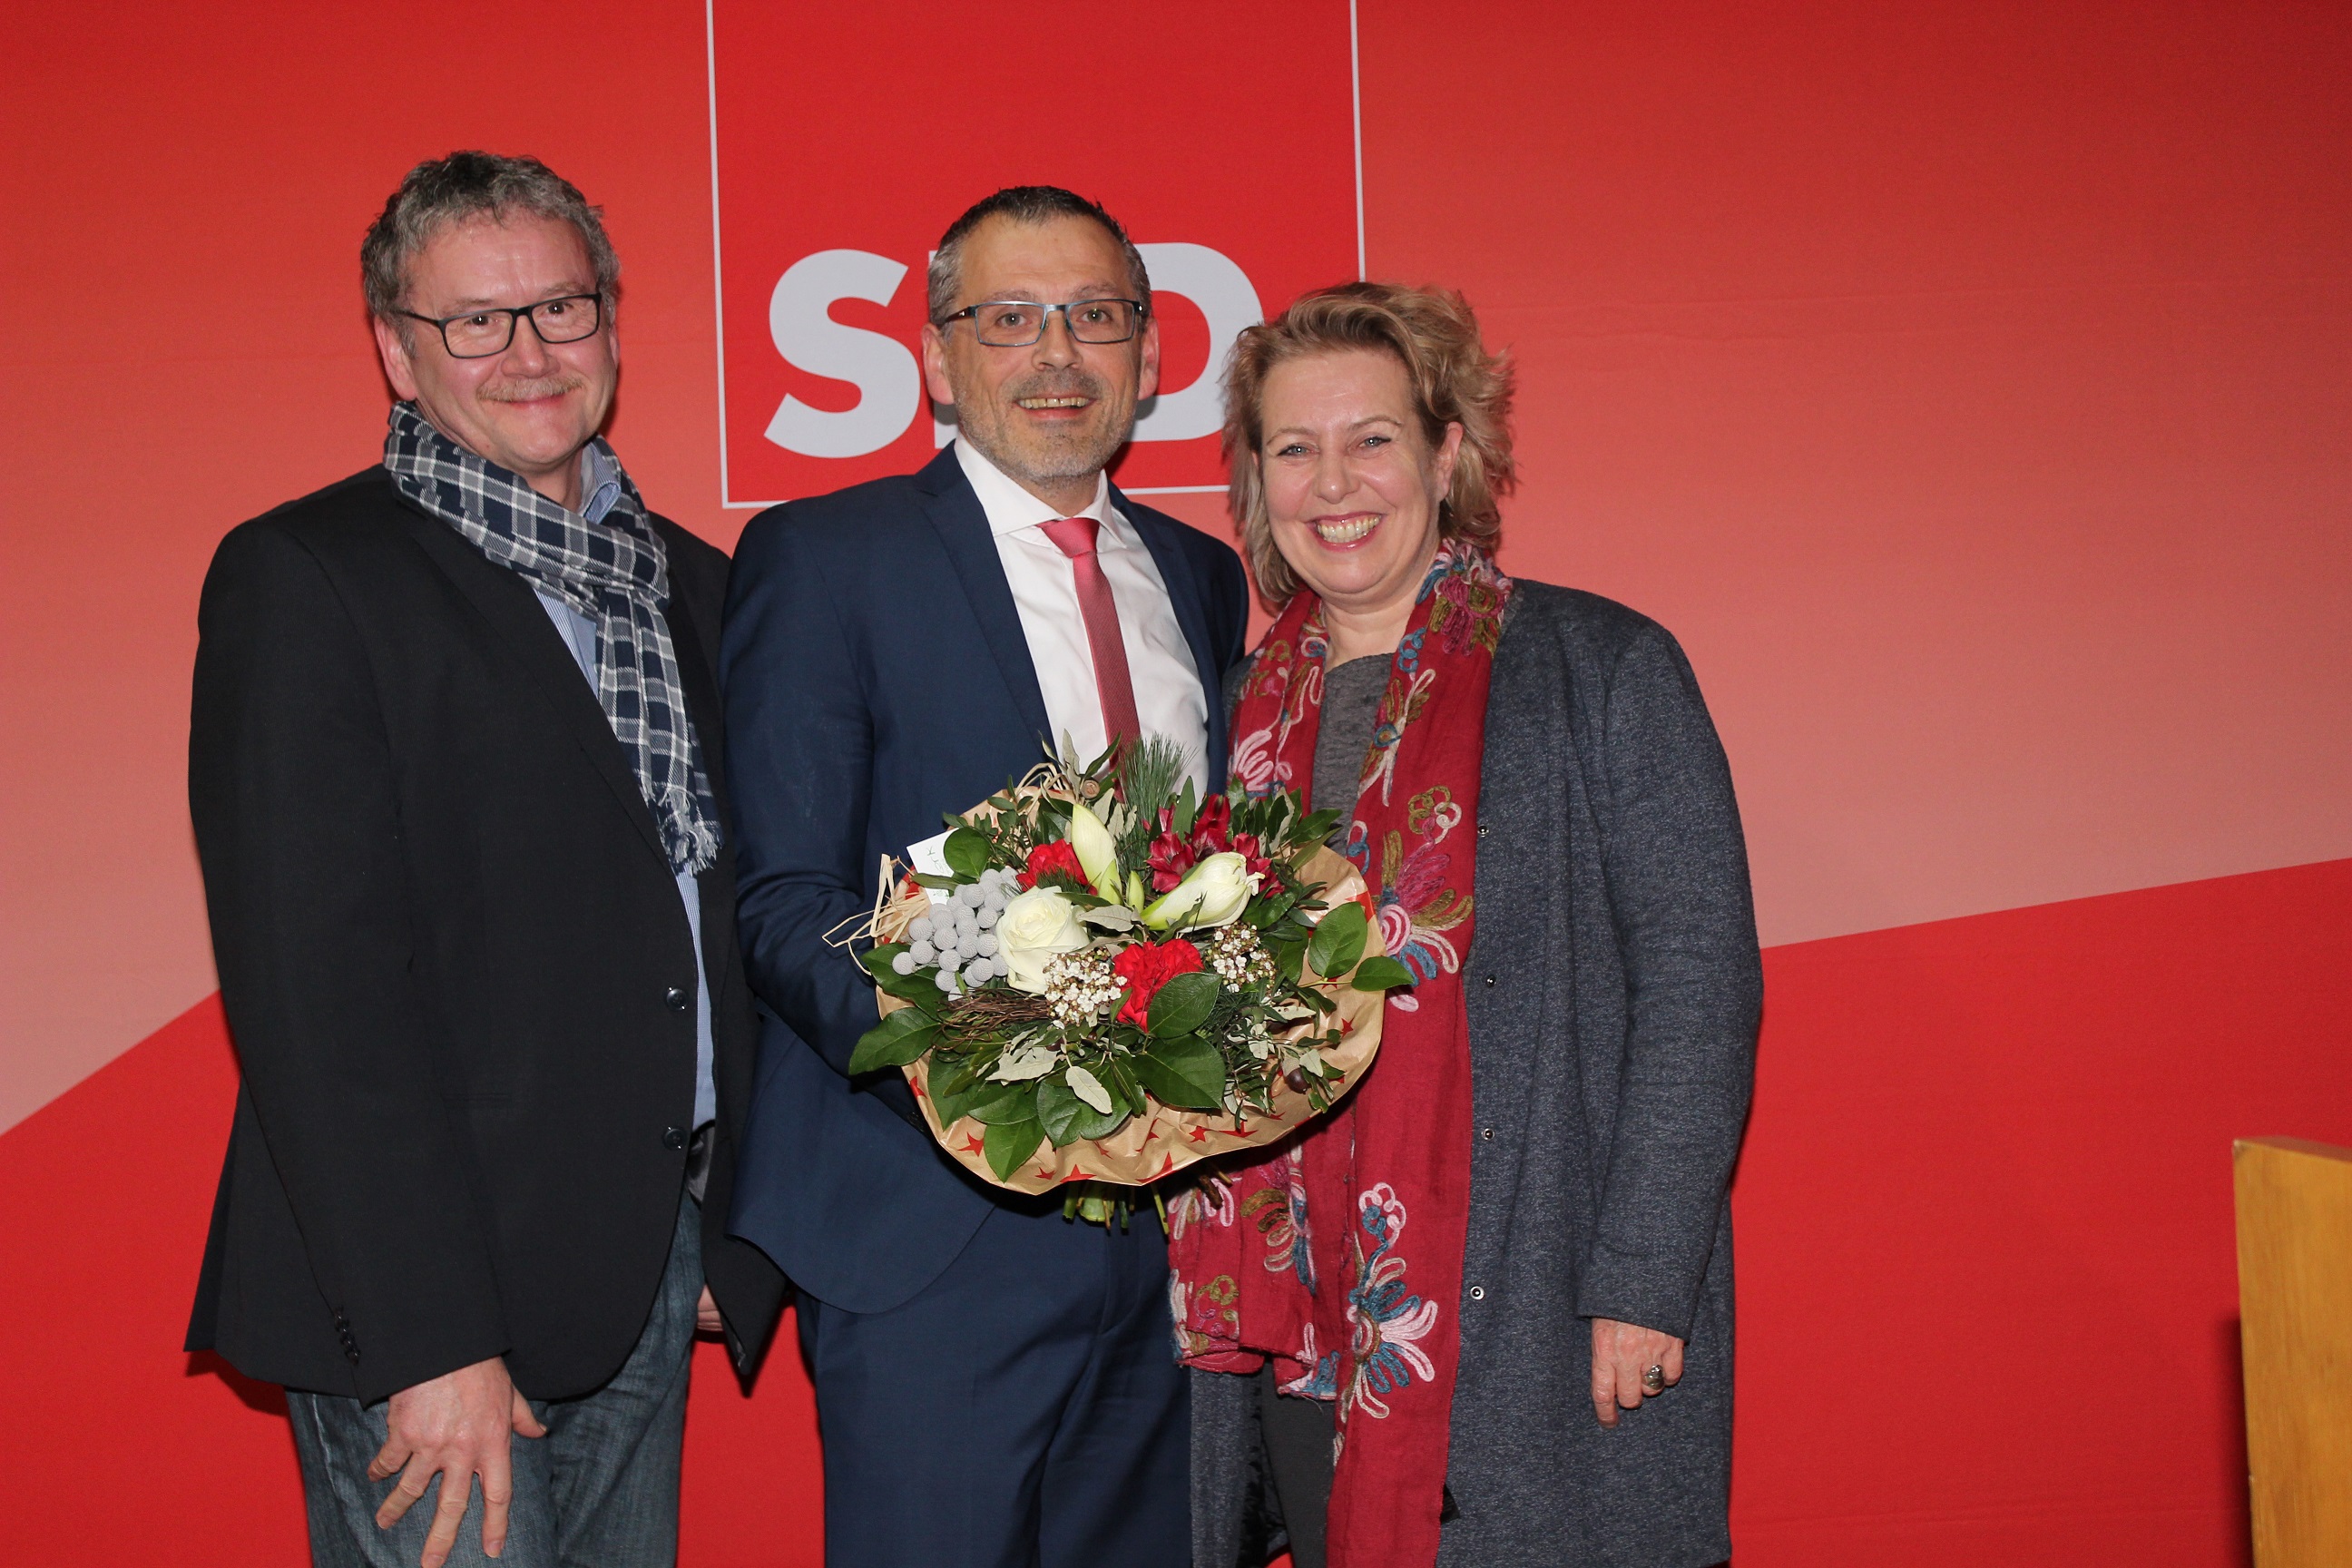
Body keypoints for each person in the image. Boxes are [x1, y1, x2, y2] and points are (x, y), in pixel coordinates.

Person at [184, 152, 786, 1568]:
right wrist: (431, 1341)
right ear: (398, 350)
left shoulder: (699, 587)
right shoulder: (311, 577)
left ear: (614, 323)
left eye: (560, 309)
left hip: (640, 1270)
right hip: (435, 1310)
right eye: (474, 321)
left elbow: (716, 932)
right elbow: (314, 997)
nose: (527, 354)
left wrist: (727, 1226)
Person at [1174, 282, 1761, 1568]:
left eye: (1373, 438)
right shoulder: (1231, 719)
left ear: (1448, 454)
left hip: (1545, 1304)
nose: (1335, 482)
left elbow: (1697, 982)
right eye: (1293, 447)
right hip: (1302, 1325)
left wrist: (1642, 1278)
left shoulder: (1601, 669)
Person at [720, 185, 1250, 1568]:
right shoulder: (824, 557)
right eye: (1010, 319)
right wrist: (981, 1073)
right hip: (936, 1228)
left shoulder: (1205, 574)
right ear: (941, 361)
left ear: (1147, 356)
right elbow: (784, 902)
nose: (1058, 354)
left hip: (1175, 1244)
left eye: (1097, 317)